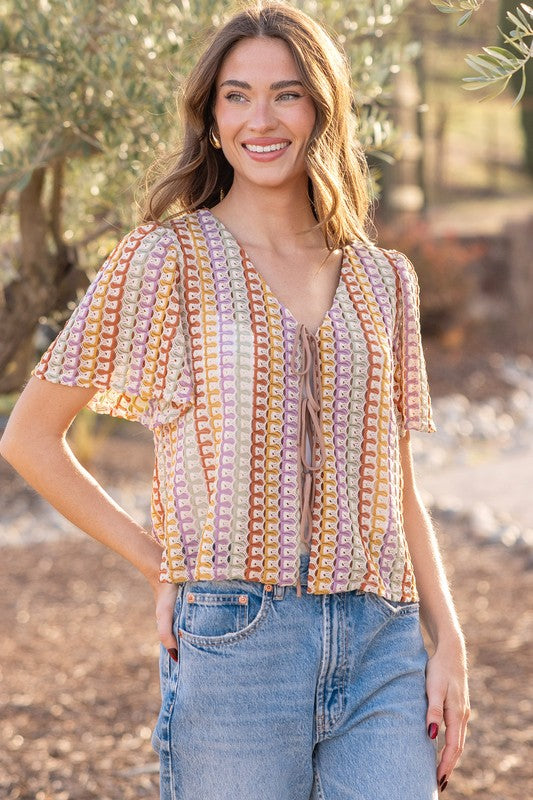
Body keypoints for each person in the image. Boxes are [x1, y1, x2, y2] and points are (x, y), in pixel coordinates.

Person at [0, 1, 470, 798]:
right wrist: (162, 566)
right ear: (211, 117)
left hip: (383, 642)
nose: (262, 118)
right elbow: (30, 438)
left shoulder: (382, 277)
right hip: (236, 637)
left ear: (321, 109)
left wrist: (448, 639)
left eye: (287, 94)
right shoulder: (165, 259)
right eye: (236, 95)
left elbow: (395, 482)